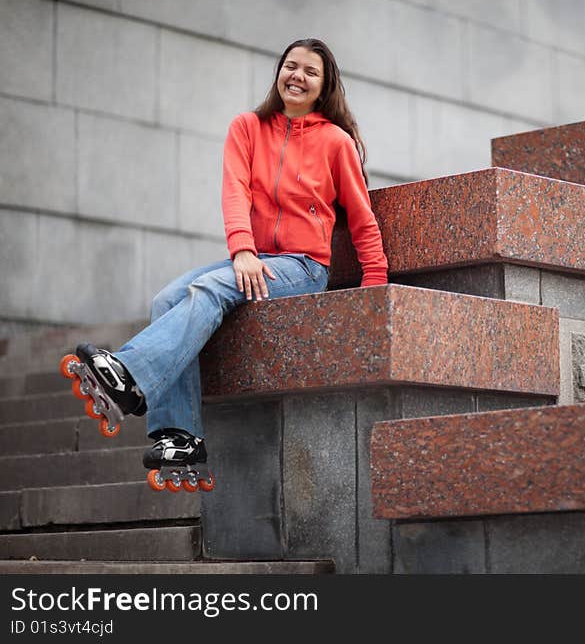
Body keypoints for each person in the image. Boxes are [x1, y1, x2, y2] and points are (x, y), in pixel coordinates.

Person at [67, 38, 388, 489]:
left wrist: (374, 289)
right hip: (251, 259)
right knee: (167, 298)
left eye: (309, 72)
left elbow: (362, 219)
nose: (297, 76)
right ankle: (179, 435)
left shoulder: (336, 143)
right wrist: (242, 250)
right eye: (290, 66)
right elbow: (234, 190)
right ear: (278, 73)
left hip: (302, 267)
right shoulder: (248, 127)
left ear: (324, 86)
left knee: (209, 291)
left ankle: (130, 374)